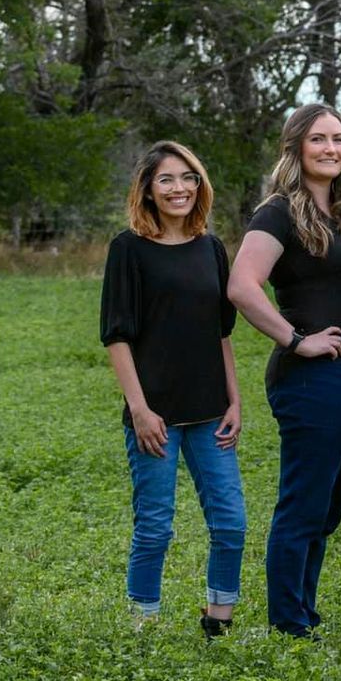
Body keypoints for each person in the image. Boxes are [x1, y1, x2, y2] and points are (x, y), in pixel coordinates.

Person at [228, 103, 341, 638]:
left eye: (339, 139)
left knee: (327, 510)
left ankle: (304, 611)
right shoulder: (278, 212)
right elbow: (242, 285)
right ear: (296, 148)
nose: (331, 148)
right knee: (304, 503)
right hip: (313, 380)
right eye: (319, 140)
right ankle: (288, 623)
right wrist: (296, 340)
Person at [100, 141, 245, 638]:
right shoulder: (128, 249)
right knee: (156, 527)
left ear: (199, 184)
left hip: (210, 414)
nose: (179, 188)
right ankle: (144, 627)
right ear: (147, 189)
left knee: (231, 524)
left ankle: (218, 622)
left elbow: (221, 332)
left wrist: (235, 400)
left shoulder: (212, 248)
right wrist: (139, 409)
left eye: (188, 177)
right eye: (166, 179)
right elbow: (117, 336)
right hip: (155, 416)